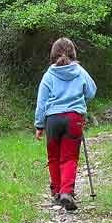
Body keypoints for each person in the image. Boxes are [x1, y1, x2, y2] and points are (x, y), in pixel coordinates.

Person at [34, 38, 97, 211]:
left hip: (52, 119)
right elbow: (92, 91)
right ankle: (66, 192)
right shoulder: (80, 71)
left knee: (53, 157)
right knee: (69, 157)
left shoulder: (49, 75)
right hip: (74, 118)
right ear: (73, 53)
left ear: (52, 54)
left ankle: (56, 192)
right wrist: (80, 100)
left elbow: (42, 102)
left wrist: (39, 126)